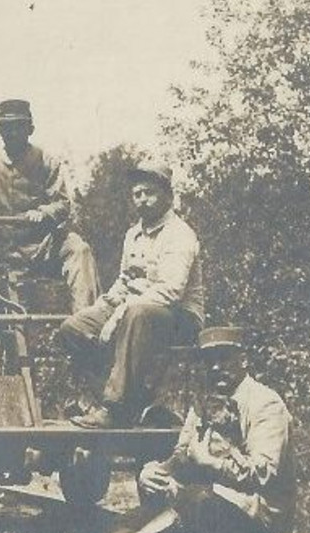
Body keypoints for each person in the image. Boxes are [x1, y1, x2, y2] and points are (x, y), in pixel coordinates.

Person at [18, 326, 295, 533]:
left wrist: (208, 463)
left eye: (224, 359)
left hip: (253, 518)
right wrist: (153, 472)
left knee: (190, 501)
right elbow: (182, 455)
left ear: (243, 361)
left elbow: (264, 474)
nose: (215, 367)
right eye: (208, 361)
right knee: (150, 509)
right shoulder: (202, 404)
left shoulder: (264, 404)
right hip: (208, 504)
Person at [54, 159, 203, 429]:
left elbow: (171, 291)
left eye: (150, 192)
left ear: (167, 196)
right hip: (134, 310)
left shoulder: (180, 235)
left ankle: (115, 407)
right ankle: (124, 402)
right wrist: (108, 303)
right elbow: (126, 279)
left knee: (137, 314)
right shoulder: (133, 235)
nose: (143, 200)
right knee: (73, 328)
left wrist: (121, 312)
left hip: (178, 317)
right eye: (137, 194)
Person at [0, 99, 100, 311]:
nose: (12, 133)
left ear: (30, 129)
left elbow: (62, 202)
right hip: (5, 252)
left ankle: (86, 322)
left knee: (80, 249)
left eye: (18, 127)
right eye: (6, 127)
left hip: (43, 248)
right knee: (9, 320)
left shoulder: (46, 160)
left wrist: (43, 212)